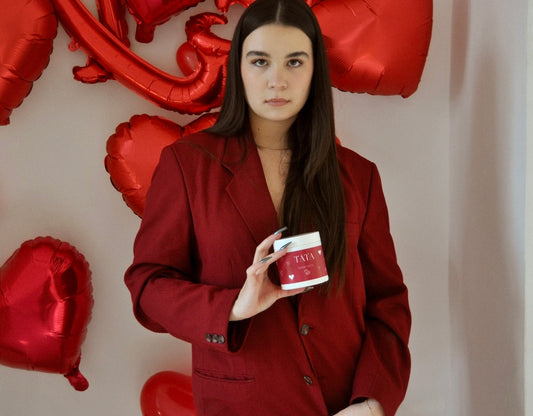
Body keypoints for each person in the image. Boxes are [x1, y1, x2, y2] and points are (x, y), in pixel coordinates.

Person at [124, 0, 411, 415]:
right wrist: (233, 307)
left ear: (314, 71)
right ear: (239, 68)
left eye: (295, 62)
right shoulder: (188, 165)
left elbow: (388, 303)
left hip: (342, 405)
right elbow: (148, 286)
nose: (277, 80)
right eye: (260, 61)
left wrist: (372, 404)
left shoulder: (358, 176)